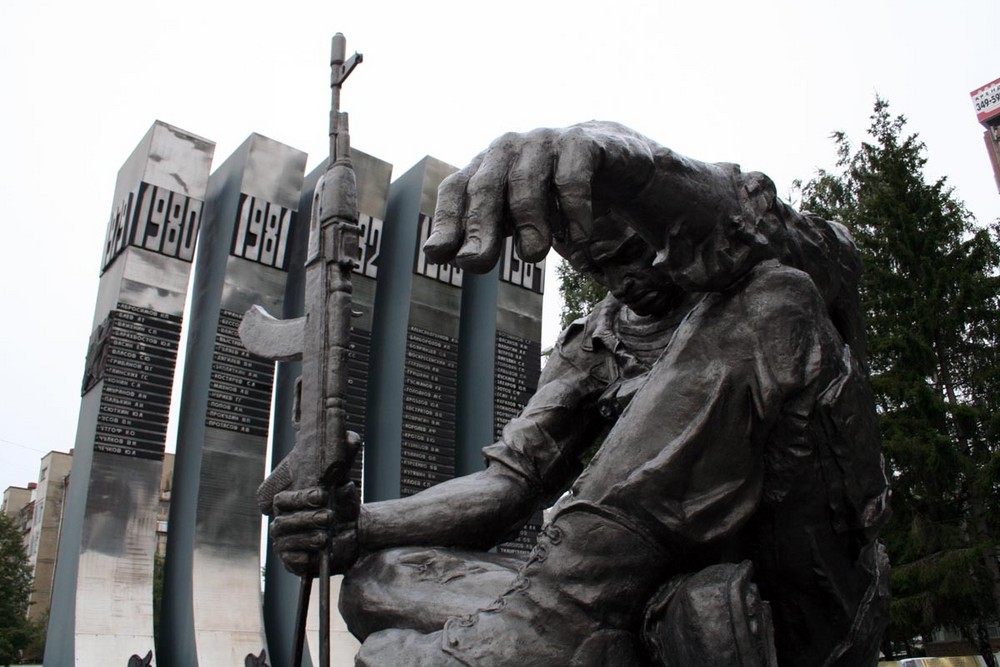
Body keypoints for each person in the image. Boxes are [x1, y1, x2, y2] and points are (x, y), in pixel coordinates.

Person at [264, 121, 890, 666]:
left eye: (630, 254)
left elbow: (827, 258)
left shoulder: (758, 268)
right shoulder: (594, 342)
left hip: (800, 591)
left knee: (773, 298)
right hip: (648, 600)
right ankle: (606, 637)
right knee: (382, 577)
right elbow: (507, 486)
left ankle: (551, 623)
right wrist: (359, 525)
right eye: (596, 268)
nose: (623, 280)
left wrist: (638, 173)